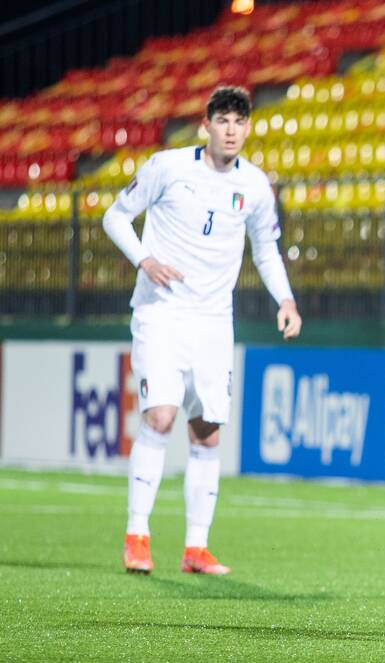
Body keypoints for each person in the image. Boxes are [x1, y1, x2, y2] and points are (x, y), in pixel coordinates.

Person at [103, 86, 301, 576]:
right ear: (206, 124)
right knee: (161, 418)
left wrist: (286, 299)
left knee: (208, 432)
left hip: (214, 321)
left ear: (248, 127)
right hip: (162, 313)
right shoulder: (168, 167)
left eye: (240, 121)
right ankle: (137, 535)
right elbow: (115, 216)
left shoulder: (255, 186)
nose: (232, 130)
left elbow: (267, 249)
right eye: (223, 121)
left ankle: (196, 547)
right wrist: (144, 260)